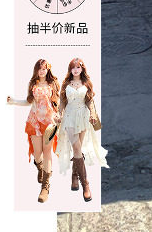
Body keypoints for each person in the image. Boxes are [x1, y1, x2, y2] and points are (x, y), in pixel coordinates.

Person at [7, 58, 61, 203]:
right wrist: (13, 101)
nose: (42, 71)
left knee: (47, 151)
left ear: (47, 69)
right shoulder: (32, 84)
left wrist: (59, 115)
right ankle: (40, 167)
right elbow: (29, 101)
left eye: (44, 68)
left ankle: (45, 187)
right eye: (39, 68)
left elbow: (57, 102)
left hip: (50, 122)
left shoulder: (53, 84)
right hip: (34, 121)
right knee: (38, 153)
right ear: (36, 70)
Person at [56, 58, 108, 202]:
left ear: (82, 68)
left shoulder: (86, 83)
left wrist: (92, 114)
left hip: (83, 117)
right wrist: (59, 114)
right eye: (73, 67)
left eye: (78, 67)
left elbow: (90, 100)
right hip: (69, 117)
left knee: (77, 150)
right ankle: (86, 184)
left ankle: (74, 176)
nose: (76, 70)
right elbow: (62, 101)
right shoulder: (66, 83)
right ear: (70, 69)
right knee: (77, 148)